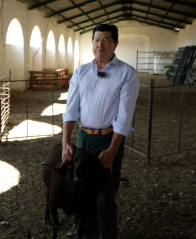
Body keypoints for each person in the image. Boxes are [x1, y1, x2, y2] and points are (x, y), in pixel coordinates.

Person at [61, 24, 140, 239]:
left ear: (115, 43)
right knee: (82, 190)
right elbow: (71, 109)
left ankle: (107, 235)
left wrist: (113, 149)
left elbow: (123, 118)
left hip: (108, 139)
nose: (100, 44)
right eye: (97, 39)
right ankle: (87, 233)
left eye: (106, 40)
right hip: (83, 138)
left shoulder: (126, 74)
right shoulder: (81, 71)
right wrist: (66, 141)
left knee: (104, 195)